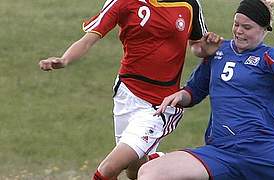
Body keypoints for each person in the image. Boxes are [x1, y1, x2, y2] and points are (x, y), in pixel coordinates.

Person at [38, 0, 216, 179]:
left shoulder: (189, 4)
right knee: (134, 171)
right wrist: (64, 60)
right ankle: (164, 164)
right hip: (127, 95)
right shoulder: (123, 2)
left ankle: (173, 166)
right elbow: (87, 40)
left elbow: (196, 44)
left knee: (108, 170)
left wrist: (206, 47)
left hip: (159, 106)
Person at [137, 0, 274, 179]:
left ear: (264, 29)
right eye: (236, 24)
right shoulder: (219, 51)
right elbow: (194, 91)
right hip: (220, 152)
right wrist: (179, 96)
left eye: (247, 27)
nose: (239, 31)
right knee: (149, 172)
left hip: (265, 151)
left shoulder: (269, 57)